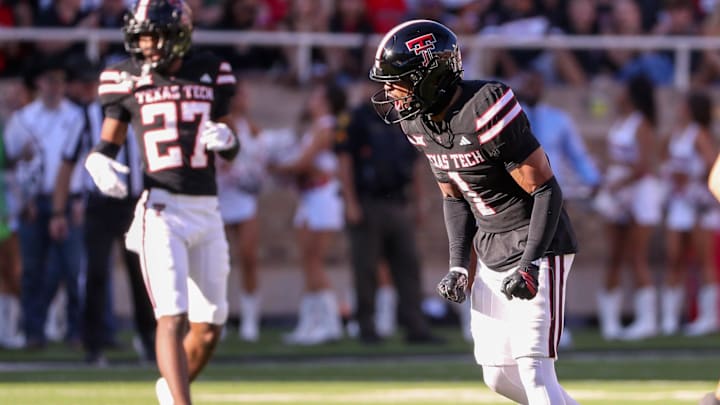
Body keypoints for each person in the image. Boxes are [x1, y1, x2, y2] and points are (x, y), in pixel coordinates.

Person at [369, 20, 579, 405]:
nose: (390, 93)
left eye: (397, 81)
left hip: (536, 242)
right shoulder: (418, 123)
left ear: (431, 76)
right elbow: (453, 197)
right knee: (498, 376)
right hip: (490, 248)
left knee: (534, 369)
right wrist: (459, 265)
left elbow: (546, 188)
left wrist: (531, 265)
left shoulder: (486, 105)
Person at [85, 1, 238, 404]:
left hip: (207, 208)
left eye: (154, 35)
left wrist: (229, 140)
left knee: (210, 327)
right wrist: (98, 163)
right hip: (162, 209)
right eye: (141, 35)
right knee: (171, 316)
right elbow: (107, 144)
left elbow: (230, 142)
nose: (147, 44)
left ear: (179, 34)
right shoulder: (126, 77)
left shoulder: (212, 70)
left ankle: (169, 392)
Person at [49, 54, 156, 366]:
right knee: (95, 273)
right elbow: (67, 165)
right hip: (99, 205)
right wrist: (58, 212)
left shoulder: (145, 113)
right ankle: (93, 345)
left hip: (135, 204)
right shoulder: (87, 117)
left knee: (142, 276)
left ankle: (148, 340)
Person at [336, 84, 441, 344]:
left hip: (398, 202)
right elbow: (345, 161)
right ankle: (366, 327)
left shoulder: (403, 118)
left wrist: (419, 203)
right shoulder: (356, 117)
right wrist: (350, 202)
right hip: (368, 201)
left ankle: (415, 325)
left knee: (409, 266)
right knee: (366, 268)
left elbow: (415, 163)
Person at [4, 57, 87, 350]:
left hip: (69, 199)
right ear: (39, 83)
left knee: (71, 267)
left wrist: (80, 199)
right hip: (35, 201)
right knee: (32, 269)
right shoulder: (24, 119)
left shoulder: (77, 116)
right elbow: (10, 163)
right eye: (50, 80)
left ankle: (76, 330)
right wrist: (22, 199)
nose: (56, 87)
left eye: (60, 81)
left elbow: (85, 162)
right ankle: (33, 331)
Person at [269, 82, 346, 346]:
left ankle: (329, 324)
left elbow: (304, 162)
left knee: (315, 260)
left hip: (323, 196)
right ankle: (310, 323)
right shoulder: (315, 127)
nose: (311, 99)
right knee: (307, 260)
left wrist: (275, 166)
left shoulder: (327, 126)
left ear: (326, 100)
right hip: (310, 197)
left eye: (317, 94)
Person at [593, 74, 662, 341]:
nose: (619, 93)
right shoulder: (620, 121)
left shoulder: (642, 124)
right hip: (619, 190)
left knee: (637, 255)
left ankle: (648, 321)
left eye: (624, 89)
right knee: (614, 255)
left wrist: (619, 184)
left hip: (640, 192)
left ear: (632, 94)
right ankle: (610, 322)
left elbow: (643, 165)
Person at [659, 91, 719, 337]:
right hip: (678, 201)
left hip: (698, 203)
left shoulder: (700, 134)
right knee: (674, 257)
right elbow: (664, 158)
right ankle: (670, 318)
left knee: (703, 259)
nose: (680, 107)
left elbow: (711, 165)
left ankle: (708, 317)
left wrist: (691, 178)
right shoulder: (677, 132)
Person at [216, 78, 267, 342]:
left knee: (248, 256)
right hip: (221, 197)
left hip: (244, 198)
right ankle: (218, 319)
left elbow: (258, 164)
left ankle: (250, 320)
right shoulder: (219, 127)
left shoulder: (253, 130)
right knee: (219, 261)